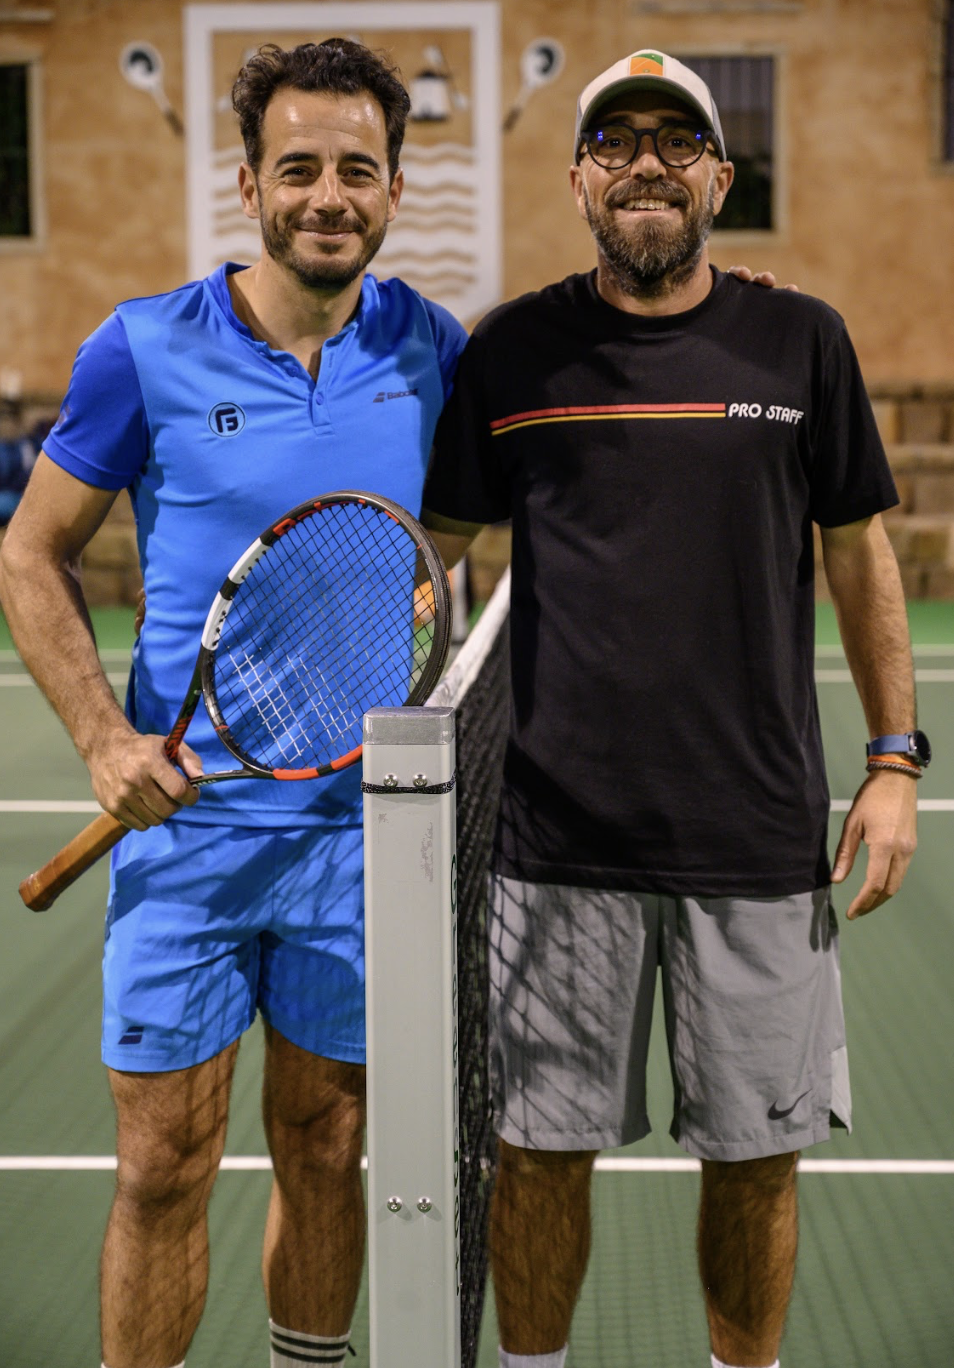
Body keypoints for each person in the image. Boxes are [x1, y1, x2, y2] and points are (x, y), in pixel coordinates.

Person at [421, 49, 925, 1368]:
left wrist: (893, 760)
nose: (644, 161)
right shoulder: (510, 351)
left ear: (718, 176)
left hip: (754, 841)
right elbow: (433, 554)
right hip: (552, 846)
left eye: (674, 139)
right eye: (614, 140)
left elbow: (857, 550)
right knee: (535, 1156)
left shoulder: (801, 340)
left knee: (756, 1164)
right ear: (578, 178)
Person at [0, 39, 468, 1368]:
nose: (329, 195)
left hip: (359, 839)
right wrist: (103, 739)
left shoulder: (432, 348)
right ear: (251, 182)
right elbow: (29, 551)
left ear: (394, 189)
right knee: (162, 1164)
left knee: (326, 1144)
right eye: (298, 167)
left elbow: (453, 524)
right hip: (184, 835)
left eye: (358, 170)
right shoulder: (143, 347)